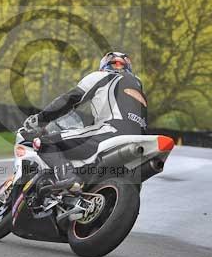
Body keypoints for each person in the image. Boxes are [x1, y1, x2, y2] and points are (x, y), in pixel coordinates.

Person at [22, 51, 148, 194]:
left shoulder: (101, 76)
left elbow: (70, 99)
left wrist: (40, 119)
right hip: (140, 140)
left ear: (105, 65)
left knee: (44, 142)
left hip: (112, 131)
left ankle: (68, 177)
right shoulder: (138, 86)